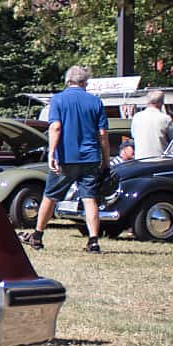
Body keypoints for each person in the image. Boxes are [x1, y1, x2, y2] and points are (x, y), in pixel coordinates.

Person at [25, 66, 110, 253]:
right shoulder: (95, 102)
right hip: (90, 158)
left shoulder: (58, 100)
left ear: (67, 81)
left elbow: (55, 127)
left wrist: (52, 153)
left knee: (51, 196)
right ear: (84, 82)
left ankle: (37, 236)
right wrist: (106, 160)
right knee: (89, 199)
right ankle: (93, 240)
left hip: (66, 157)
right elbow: (102, 134)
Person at [131, 89, 173, 161]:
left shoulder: (136, 117)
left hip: (140, 160)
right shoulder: (165, 118)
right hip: (160, 160)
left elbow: (133, 135)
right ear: (161, 103)